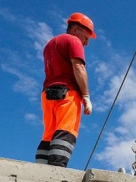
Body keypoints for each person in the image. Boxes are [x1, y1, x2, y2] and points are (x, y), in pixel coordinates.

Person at [35, 12, 96, 167]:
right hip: (67, 93)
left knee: (49, 134)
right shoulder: (73, 40)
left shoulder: (50, 44)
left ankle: (40, 168)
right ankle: (56, 169)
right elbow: (78, 66)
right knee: (66, 130)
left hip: (47, 94)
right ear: (75, 30)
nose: (86, 43)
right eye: (86, 38)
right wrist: (86, 96)